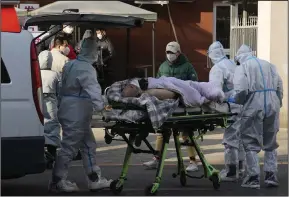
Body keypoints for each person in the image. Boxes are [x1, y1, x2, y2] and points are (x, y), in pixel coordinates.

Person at [49, 37, 112, 192]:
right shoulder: (86, 69)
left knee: (88, 145)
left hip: (70, 110)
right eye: (96, 50)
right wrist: (104, 109)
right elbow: (94, 91)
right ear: (93, 51)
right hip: (76, 114)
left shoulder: (71, 64)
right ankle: (58, 181)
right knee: (69, 147)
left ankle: (94, 178)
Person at [231, 44, 283, 189]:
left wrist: (236, 101)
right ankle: (271, 175)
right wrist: (278, 103)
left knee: (250, 140)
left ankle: (253, 177)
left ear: (239, 57)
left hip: (254, 103)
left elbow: (241, 90)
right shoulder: (270, 65)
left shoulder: (243, 67)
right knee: (270, 140)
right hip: (273, 103)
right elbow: (280, 86)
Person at [143, 41, 200, 172]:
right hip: (167, 104)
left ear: (178, 53)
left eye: (172, 53)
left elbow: (193, 84)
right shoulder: (163, 66)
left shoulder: (187, 67)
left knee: (186, 134)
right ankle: (156, 159)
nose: (169, 55)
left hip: (182, 103)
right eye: (167, 53)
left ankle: (193, 161)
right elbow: (158, 82)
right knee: (161, 133)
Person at [207, 41, 246, 182]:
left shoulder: (217, 69)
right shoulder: (231, 64)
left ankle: (230, 171)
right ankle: (242, 169)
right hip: (243, 104)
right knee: (241, 138)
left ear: (211, 55)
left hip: (232, 107)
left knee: (230, 139)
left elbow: (215, 92)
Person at [38, 50, 61, 160]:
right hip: (51, 101)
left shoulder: (35, 73)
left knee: (38, 126)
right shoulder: (55, 74)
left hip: (37, 100)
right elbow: (60, 90)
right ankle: (52, 153)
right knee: (52, 126)